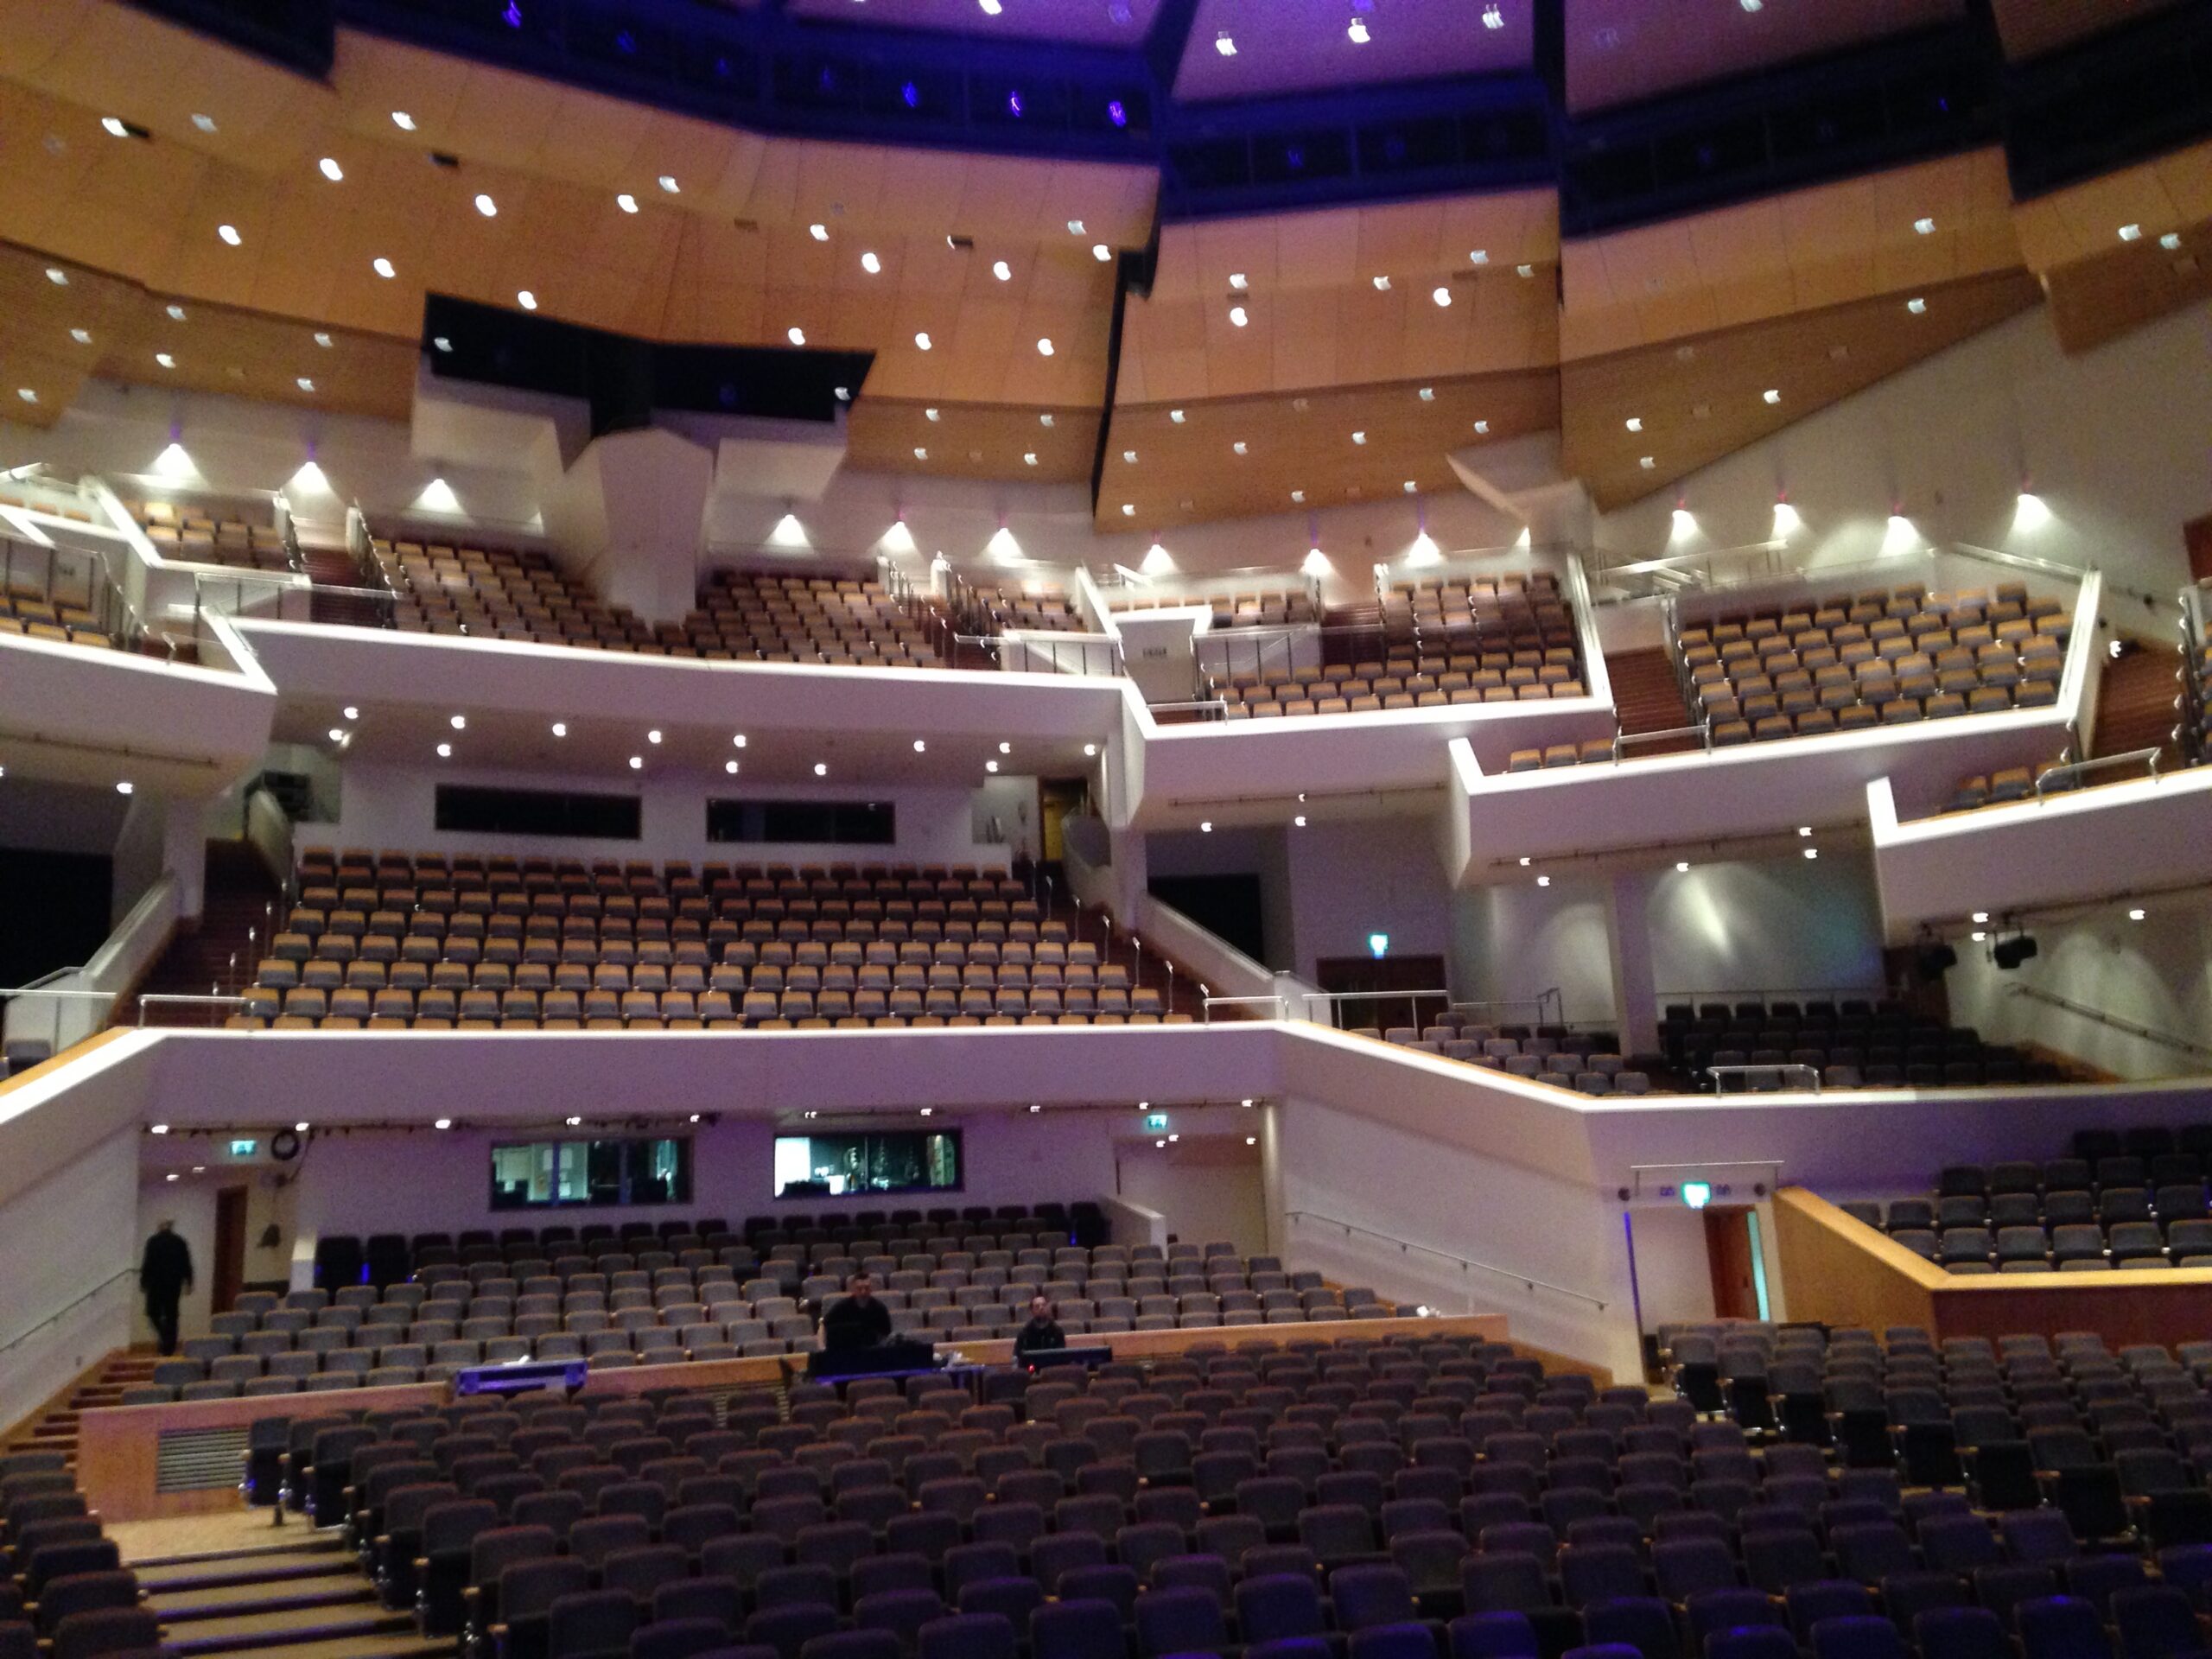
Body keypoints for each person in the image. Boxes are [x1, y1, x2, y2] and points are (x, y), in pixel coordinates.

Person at [139, 1220, 194, 1357]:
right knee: (171, 1315)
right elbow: (186, 1263)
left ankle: (166, 1341)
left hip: (156, 1283)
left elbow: (147, 1262)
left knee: (154, 1313)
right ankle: (169, 1344)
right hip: (172, 1284)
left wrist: (143, 1281)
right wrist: (189, 1281)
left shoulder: (154, 1241)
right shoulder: (179, 1241)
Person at [819, 1272, 893, 1352]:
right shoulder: (842, 1307)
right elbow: (823, 1326)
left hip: (872, 1352)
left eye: (867, 1288)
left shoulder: (880, 1308)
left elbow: (886, 1335)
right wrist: (822, 1348)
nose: (863, 1292)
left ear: (871, 1289)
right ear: (853, 1289)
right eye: (859, 1288)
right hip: (847, 1351)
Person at [1012, 1294, 1065, 1364]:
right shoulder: (1025, 1333)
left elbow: (1061, 1355)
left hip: (1052, 1367)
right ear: (1032, 1311)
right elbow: (1018, 1355)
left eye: (1044, 1305)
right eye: (1037, 1306)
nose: (1041, 1308)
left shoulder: (1057, 1331)